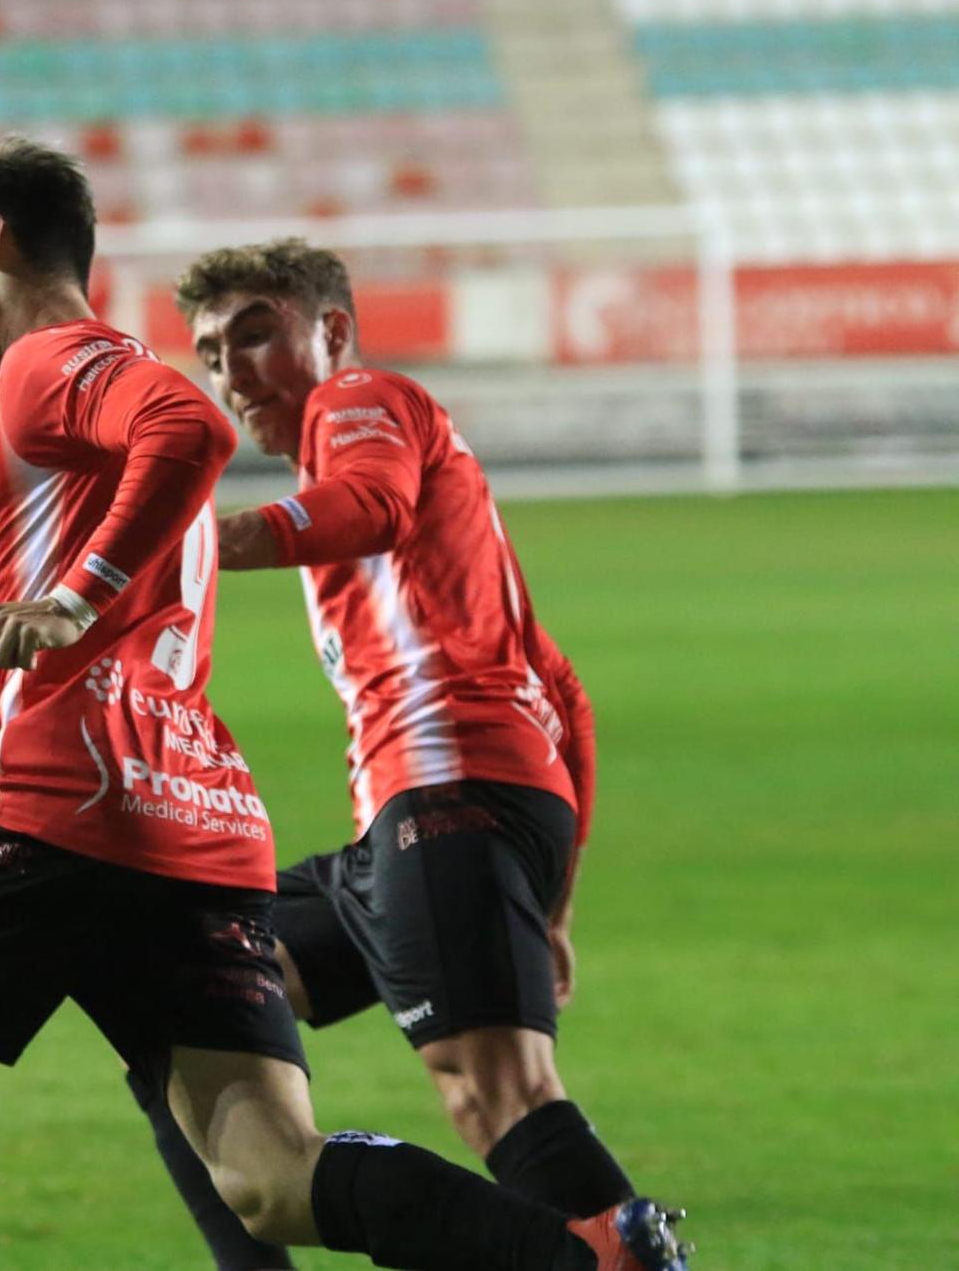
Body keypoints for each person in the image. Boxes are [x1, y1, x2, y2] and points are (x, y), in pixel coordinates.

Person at [0, 137, 686, 1271]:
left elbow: (193, 431)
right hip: (196, 819)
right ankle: (589, 1260)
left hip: (74, 808)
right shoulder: (87, 416)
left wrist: (73, 598)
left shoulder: (52, 361)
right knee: (269, 1177)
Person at [121, 236, 681, 1270]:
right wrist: (550, 901)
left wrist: (191, 540)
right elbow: (562, 689)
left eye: (256, 332)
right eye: (208, 350)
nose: (230, 367)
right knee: (177, 978)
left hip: (445, 791)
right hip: (447, 812)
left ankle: (615, 1258)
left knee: (493, 1092)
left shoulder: (357, 401)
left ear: (328, 332)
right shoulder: (411, 468)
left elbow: (366, 507)